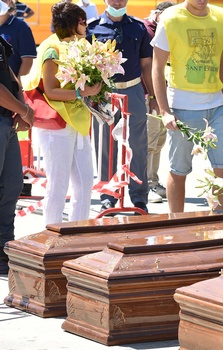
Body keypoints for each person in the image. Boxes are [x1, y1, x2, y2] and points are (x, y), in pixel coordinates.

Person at [22, 2, 102, 226]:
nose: (86, 25)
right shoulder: (51, 48)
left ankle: (77, 234)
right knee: (58, 185)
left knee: (85, 183)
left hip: (78, 122)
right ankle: (51, 236)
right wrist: (81, 93)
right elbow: (51, 91)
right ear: (71, 23)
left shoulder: (82, 45)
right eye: (82, 21)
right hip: (56, 125)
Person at [151, 0, 223, 213]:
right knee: (179, 170)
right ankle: (177, 224)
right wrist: (165, 111)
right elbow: (157, 68)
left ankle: (222, 221)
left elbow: (220, 61)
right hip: (181, 108)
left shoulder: (222, 17)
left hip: (215, 106)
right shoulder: (169, 18)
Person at [87, 0, 157, 215]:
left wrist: (153, 95)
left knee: (137, 144)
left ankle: (138, 197)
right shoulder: (92, 27)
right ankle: (108, 195)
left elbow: (146, 64)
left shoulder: (138, 27)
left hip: (133, 89)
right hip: (104, 92)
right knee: (104, 145)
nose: (117, 1)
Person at [0, 34, 33, 274]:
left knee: (12, 186)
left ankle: (4, 248)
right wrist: (22, 109)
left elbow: (10, 76)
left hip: (6, 121)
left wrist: (22, 108)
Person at [143, 0, 173, 204]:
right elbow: (149, 67)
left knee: (159, 141)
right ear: (158, 13)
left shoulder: (162, 28)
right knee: (149, 141)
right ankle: (147, 183)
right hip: (150, 95)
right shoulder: (148, 30)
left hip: (163, 93)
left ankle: (153, 181)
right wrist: (153, 97)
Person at [0, 0, 36, 80]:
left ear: (9, 2)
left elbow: (27, 60)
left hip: (10, 87)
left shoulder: (21, 27)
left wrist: (17, 86)